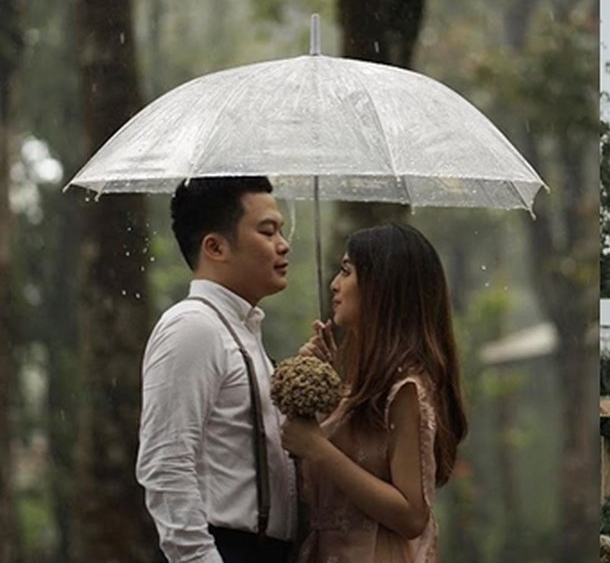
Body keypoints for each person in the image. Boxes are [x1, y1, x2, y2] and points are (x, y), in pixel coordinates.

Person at [282, 223, 468, 561]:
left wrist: (320, 449)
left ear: (382, 286)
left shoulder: (406, 390)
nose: (334, 285)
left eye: (346, 271)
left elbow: (412, 514)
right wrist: (320, 385)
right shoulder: (361, 388)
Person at [136, 176, 297, 563]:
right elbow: (166, 462)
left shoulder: (243, 330)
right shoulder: (193, 326)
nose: (283, 244)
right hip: (224, 548)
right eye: (267, 231)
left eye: (281, 231)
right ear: (215, 247)